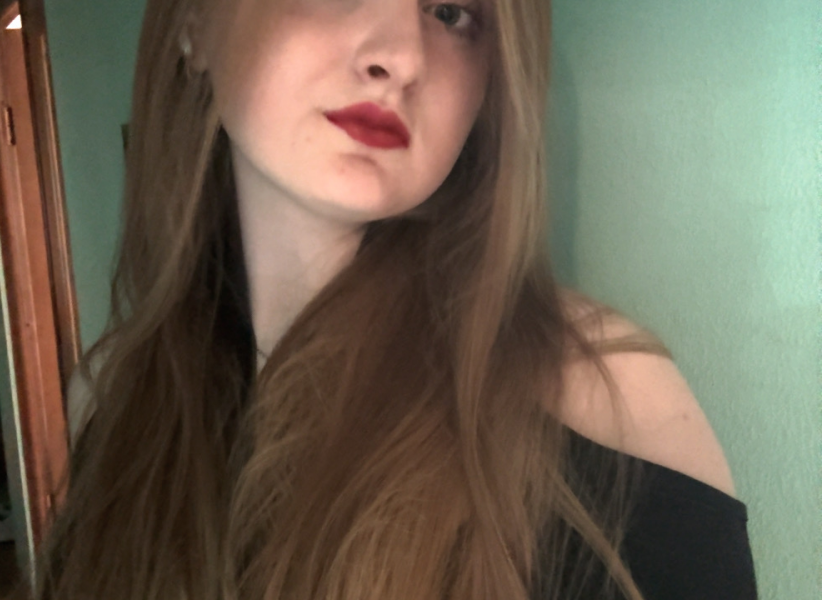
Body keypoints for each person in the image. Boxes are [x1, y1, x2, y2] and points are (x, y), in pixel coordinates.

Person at [40, 0, 757, 598]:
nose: (402, 57)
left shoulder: (606, 398)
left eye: (450, 12)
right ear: (193, 24)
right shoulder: (113, 401)